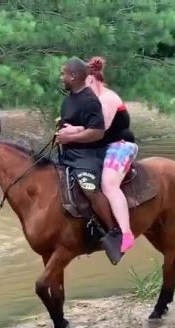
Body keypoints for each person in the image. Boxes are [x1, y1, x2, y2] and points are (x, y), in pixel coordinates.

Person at [58, 56, 138, 265]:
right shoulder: (70, 99)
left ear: (89, 79)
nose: (61, 77)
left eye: (64, 73)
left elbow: (99, 130)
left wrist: (73, 133)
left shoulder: (104, 99)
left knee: (104, 185)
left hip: (115, 145)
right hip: (85, 149)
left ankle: (120, 232)